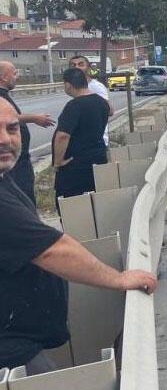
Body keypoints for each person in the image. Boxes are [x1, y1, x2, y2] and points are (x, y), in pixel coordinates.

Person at [0, 97, 156, 374]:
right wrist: (118, 279)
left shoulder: (5, 178)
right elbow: (52, 250)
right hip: (10, 349)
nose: (5, 139)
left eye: (12, 129)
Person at [52, 68, 110, 205]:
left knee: (71, 206)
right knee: (95, 202)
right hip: (98, 157)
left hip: (75, 164)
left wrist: (58, 161)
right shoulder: (101, 102)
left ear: (68, 85)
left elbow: (62, 136)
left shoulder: (74, 106)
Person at [0, 61, 55, 202]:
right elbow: (7, 118)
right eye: (14, 73)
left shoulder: (4, 95)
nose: (16, 77)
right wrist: (34, 118)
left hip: (19, 159)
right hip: (14, 163)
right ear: (4, 77)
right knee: (22, 200)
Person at [69, 55, 113, 147]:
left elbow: (109, 111)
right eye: (73, 65)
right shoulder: (75, 87)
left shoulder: (96, 86)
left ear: (88, 68)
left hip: (96, 141)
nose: (77, 67)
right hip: (83, 141)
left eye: (81, 64)